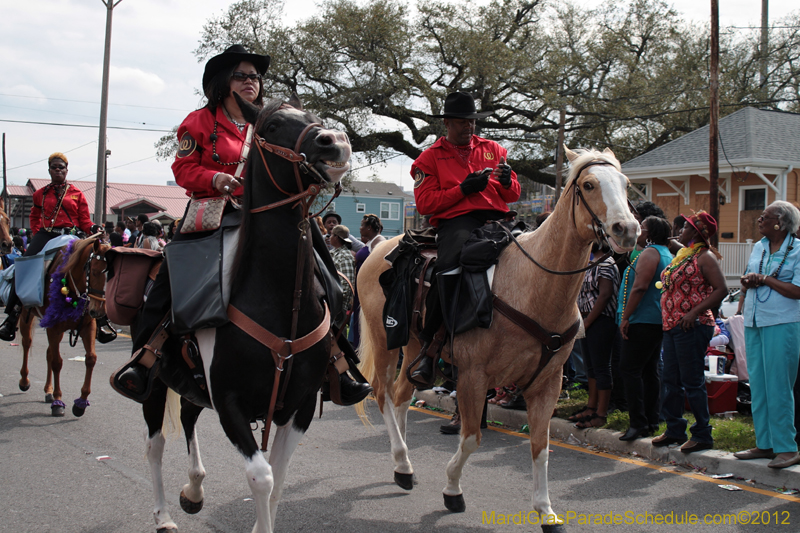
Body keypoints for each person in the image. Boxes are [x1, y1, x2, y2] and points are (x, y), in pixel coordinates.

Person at [110, 45, 370, 405]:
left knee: (327, 277)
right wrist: (215, 179)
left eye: (256, 76)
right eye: (242, 75)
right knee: (174, 272)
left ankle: (336, 361)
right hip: (214, 211)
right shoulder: (198, 122)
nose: (251, 82)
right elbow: (182, 169)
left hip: (271, 213)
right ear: (223, 82)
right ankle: (146, 356)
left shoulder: (271, 122)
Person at [408, 91, 520, 388]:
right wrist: (463, 190)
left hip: (497, 219)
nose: (468, 127)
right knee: (448, 265)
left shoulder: (494, 149)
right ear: (447, 123)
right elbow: (426, 203)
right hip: (457, 222)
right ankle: (431, 346)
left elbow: (512, 194)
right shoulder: (428, 159)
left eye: (471, 121)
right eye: (461, 122)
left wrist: (509, 182)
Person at [0, 152, 104, 341]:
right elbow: (34, 216)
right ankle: (12, 315)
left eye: (61, 167)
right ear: (49, 170)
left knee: (96, 263)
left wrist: (94, 227)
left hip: (73, 235)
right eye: (54, 167)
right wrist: (37, 231)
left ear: (66, 170)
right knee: (22, 266)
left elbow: (84, 221)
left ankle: (102, 320)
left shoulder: (77, 194)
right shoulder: (40, 194)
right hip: (47, 234)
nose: (58, 170)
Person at [653, 211, 727, 453]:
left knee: (692, 381)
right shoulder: (683, 255)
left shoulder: (705, 257)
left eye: (684, 227)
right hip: (672, 325)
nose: (679, 230)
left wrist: (694, 312)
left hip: (692, 326)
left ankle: (703, 433)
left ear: (695, 232)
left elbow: (721, 289)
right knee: (670, 380)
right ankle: (674, 429)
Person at [734, 201, 800, 468]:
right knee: (758, 385)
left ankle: (787, 447)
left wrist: (764, 280)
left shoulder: (797, 250)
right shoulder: (759, 247)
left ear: (780, 222)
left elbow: (797, 291)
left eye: (765, 217)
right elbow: (750, 278)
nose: (759, 220)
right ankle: (765, 443)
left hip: (782, 322)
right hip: (754, 320)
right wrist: (748, 281)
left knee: (779, 386)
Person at [617, 216, 673, 441]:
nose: (638, 231)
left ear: (649, 234)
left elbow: (639, 287)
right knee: (649, 371)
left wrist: (625, 317)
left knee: (629, 370)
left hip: (642, 319)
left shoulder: (650, 253)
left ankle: (637, 422)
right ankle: (651, 419)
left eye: (643, 229)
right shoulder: (666, 252)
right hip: (655, 319)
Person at [571, 243, 620, 429]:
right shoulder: (590, 263)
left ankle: (601, 413)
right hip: (585, 320)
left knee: (601, 367)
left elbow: (605, 294)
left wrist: (589, 321)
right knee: (590, 366)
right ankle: (591, 407)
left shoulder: (606, 264)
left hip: (600, 321)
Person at [329, 225, 355, 318]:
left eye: (331, 235)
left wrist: (339, 306)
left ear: (336, 237)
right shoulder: (333, 253)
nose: (330, 238)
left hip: (338, 308)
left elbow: (347, 284)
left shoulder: (345, 256)